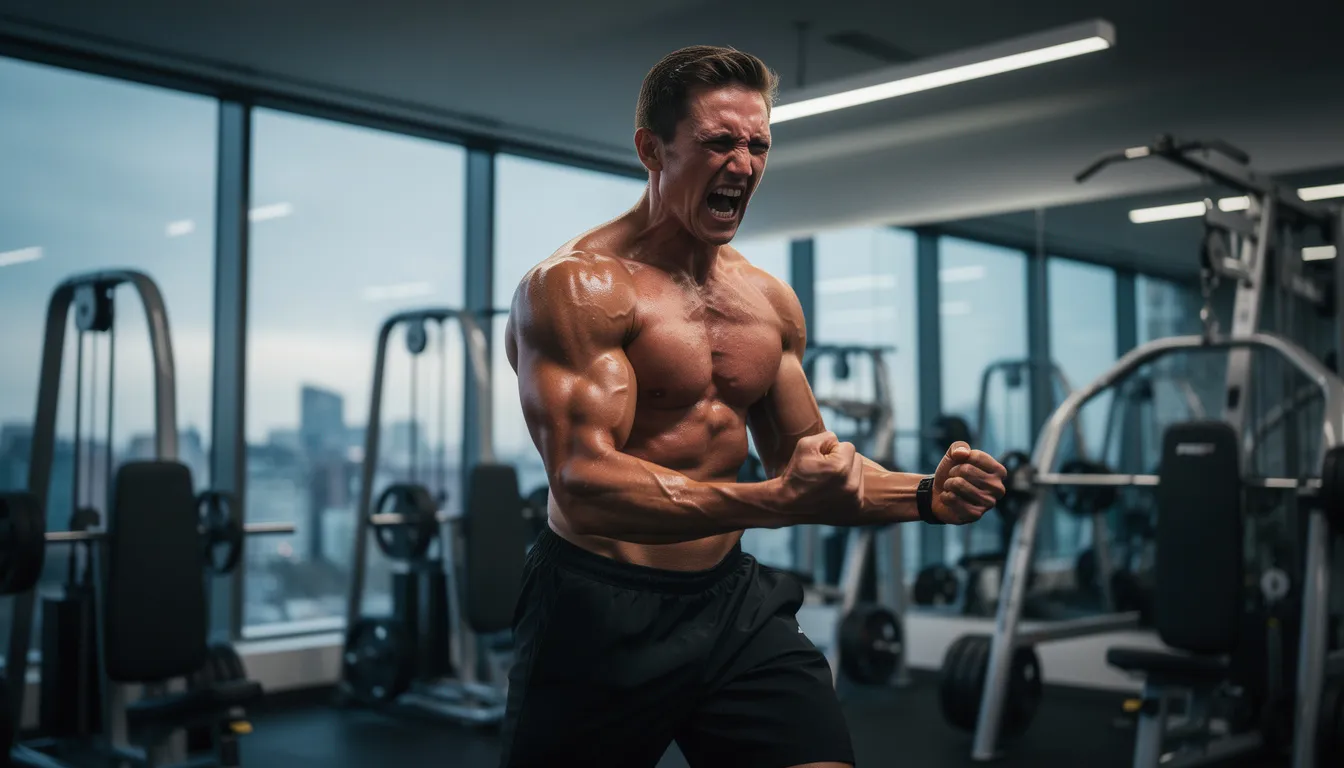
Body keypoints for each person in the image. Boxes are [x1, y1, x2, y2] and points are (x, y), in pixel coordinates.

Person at [500, 45, 1008, 768]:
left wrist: (926, 495)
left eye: (757, 145)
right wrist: (772, 503)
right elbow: (584, 484)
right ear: (652, 150)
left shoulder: (769, 302)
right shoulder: (580, 288)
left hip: (733, 604)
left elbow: (815, 467)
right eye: (718, 142)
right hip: (598, 605)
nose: (743, 164)